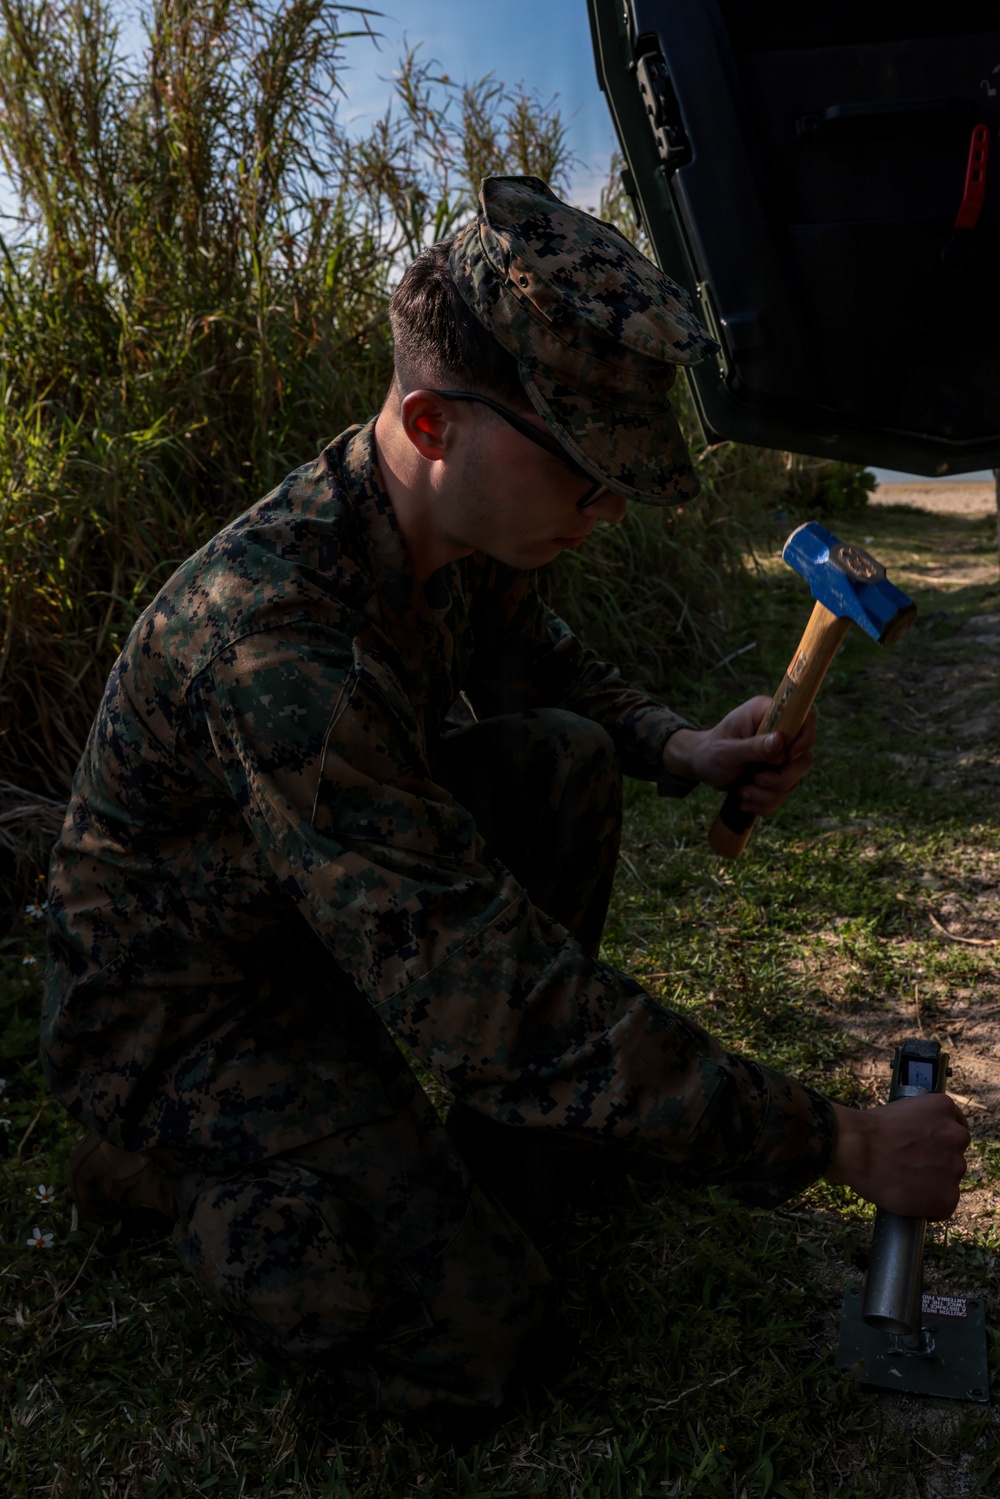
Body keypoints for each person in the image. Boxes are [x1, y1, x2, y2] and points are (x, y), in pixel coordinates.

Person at [42, 176, 968, 1419]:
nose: (610, 510)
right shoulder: (279, 650)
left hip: (316, 914)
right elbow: (488, 994)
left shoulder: (448, 527)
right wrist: (840, 1143)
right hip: (192, 1005)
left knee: (566, 754)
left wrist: (679, 745)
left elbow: (543, 661)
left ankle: (509, 1142)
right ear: (433, 423)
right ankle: (156, 1165)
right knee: (476, 1334)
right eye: (586, 474)